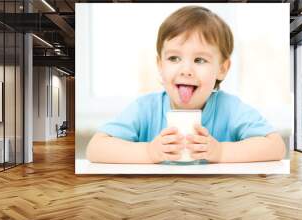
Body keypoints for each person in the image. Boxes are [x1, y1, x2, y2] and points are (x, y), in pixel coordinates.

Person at [86, 5, 286, 164]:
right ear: (160, 65)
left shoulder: (230, 109)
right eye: (174, 58)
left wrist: (221, 151)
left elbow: (276, 147)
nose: (186, 70)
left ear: (222, 68)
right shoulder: (145, 108)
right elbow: (95, 148)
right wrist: (149, 151)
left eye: (199, 60)